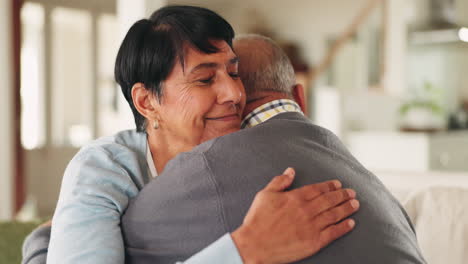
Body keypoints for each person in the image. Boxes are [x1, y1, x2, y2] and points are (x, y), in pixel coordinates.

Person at [34, 6, 357, 264]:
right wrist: (245, 250)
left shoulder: (249, 150)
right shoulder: (105, 167)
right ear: (147, 101)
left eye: (233, 73)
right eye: (204, 80)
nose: (234, 93)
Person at [120, 34, 427, 263]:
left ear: (232, 99)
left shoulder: (207, 167)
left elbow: (122, 241)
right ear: (299, 97)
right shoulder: (372, 184)